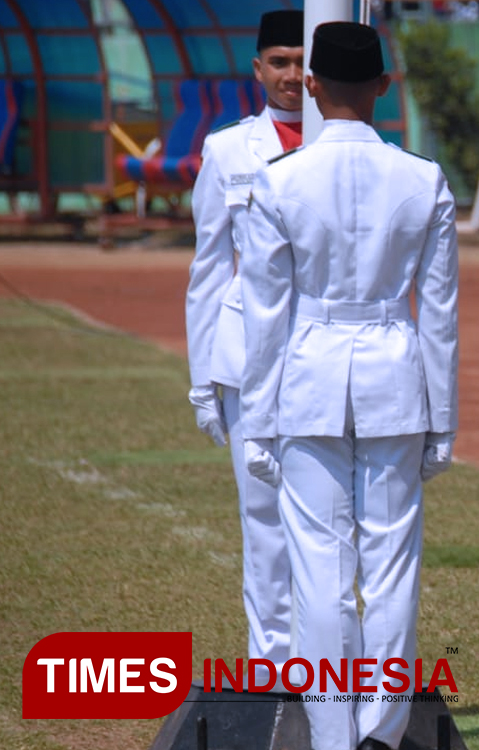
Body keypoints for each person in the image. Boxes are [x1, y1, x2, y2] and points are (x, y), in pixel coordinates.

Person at [240, 21, 460, 750]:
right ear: (383, 89)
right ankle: (381, 732)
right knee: (392, 569)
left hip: (307, 374)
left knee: (317, 572)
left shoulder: (279, 179)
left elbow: (266, 316)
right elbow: (440, 315)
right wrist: (444, 419)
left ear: (309, 85)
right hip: (396, 374)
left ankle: (334, 736)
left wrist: (260, 418)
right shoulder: (423, 177)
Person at [183, 8, 303, 686]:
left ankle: (331, 663)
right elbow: (208, 268)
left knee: (329, 523)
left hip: (324, 352)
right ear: (257, 69)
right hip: (244, 358)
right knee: (263, 520)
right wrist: (203, 379)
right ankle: (272, 667)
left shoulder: (347, 144)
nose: (290, 75)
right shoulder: (228, 149)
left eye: (300, 62)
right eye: (278, 62)